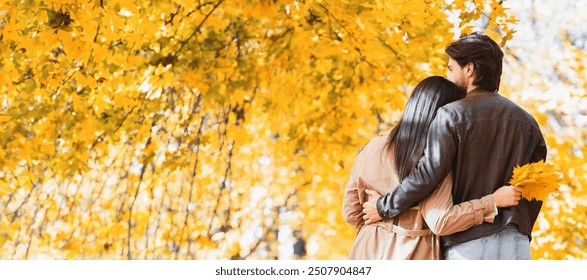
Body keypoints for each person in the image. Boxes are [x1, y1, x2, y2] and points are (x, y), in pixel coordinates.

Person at [362, 32, 547, 260]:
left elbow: (427, 175)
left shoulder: (450, 115)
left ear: (469, 69)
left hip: (468, 243)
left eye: (451, 69)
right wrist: (521, 225)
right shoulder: (528, 122)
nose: (449, 76)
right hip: (517, 243)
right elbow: (537, 186)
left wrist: (384, 206)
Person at [342, 76, 522, 260]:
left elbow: (351, 213)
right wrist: (492, 201)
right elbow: (441, 221)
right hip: (411, 254)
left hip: (365, 252)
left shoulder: (373, 146)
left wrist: (381, 218)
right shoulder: (434, 158)